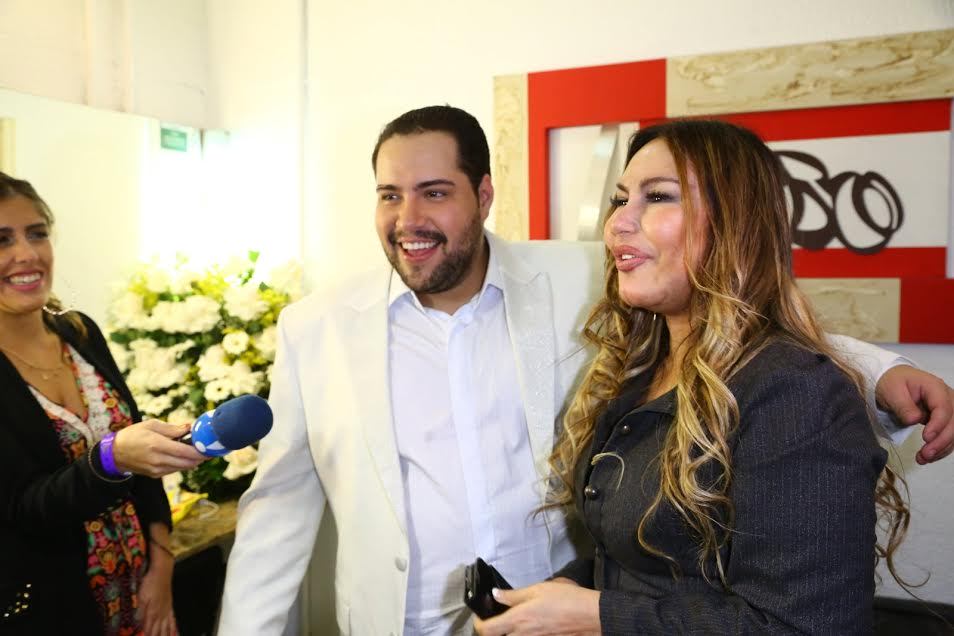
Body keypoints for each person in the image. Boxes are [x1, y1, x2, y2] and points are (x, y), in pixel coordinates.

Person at [218, 106, 954, 636]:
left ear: (483, 195)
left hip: (564, 614)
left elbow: (740, 306)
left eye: (434, 191)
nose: (408, 217)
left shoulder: (573, 275)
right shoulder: (314, 327)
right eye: (389, 193)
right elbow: (279, 511)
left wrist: (878, 370)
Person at [474, 120, 912, 635]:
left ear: (734, 223)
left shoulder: (795, 392)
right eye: (620, 200)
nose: (617, 224)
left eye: (658, 197)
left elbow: (801, 626)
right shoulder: (639, 371)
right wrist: (567, 592)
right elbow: (648, 564)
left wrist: (596, 616)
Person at [0, 172, 206, 636]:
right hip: (53, 608)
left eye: (37, 233)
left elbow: (141, 459)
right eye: (2, 240)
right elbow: (24, 510)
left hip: (142, 586)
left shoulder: (79, 332)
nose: (27, 254)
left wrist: (162, 565)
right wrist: (111, 459)